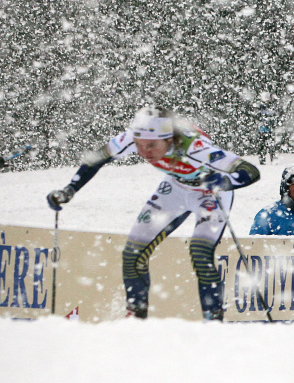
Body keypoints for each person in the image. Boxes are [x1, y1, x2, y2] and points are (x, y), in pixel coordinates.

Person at [45, 106, 261, 321]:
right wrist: (69, 190)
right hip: (175, 188)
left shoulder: (196, 147)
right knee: (132, 254)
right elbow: (96, 159)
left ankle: (213, 318)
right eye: (138, 145)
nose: (144, 152)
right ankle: (136, 317)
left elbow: (250, 172)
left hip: (209, 193)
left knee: (200, 252)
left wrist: (224, 181)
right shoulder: (134, 136)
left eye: (151, 146)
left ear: (170, 140)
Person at [255, 92, 278, 165]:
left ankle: (272, 158)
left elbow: (274, 116)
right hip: (263, 129)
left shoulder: (272, 106)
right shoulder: (261, 107)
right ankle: (262, 159)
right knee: (263, 145)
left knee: (270, 145)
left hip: (268, 129)